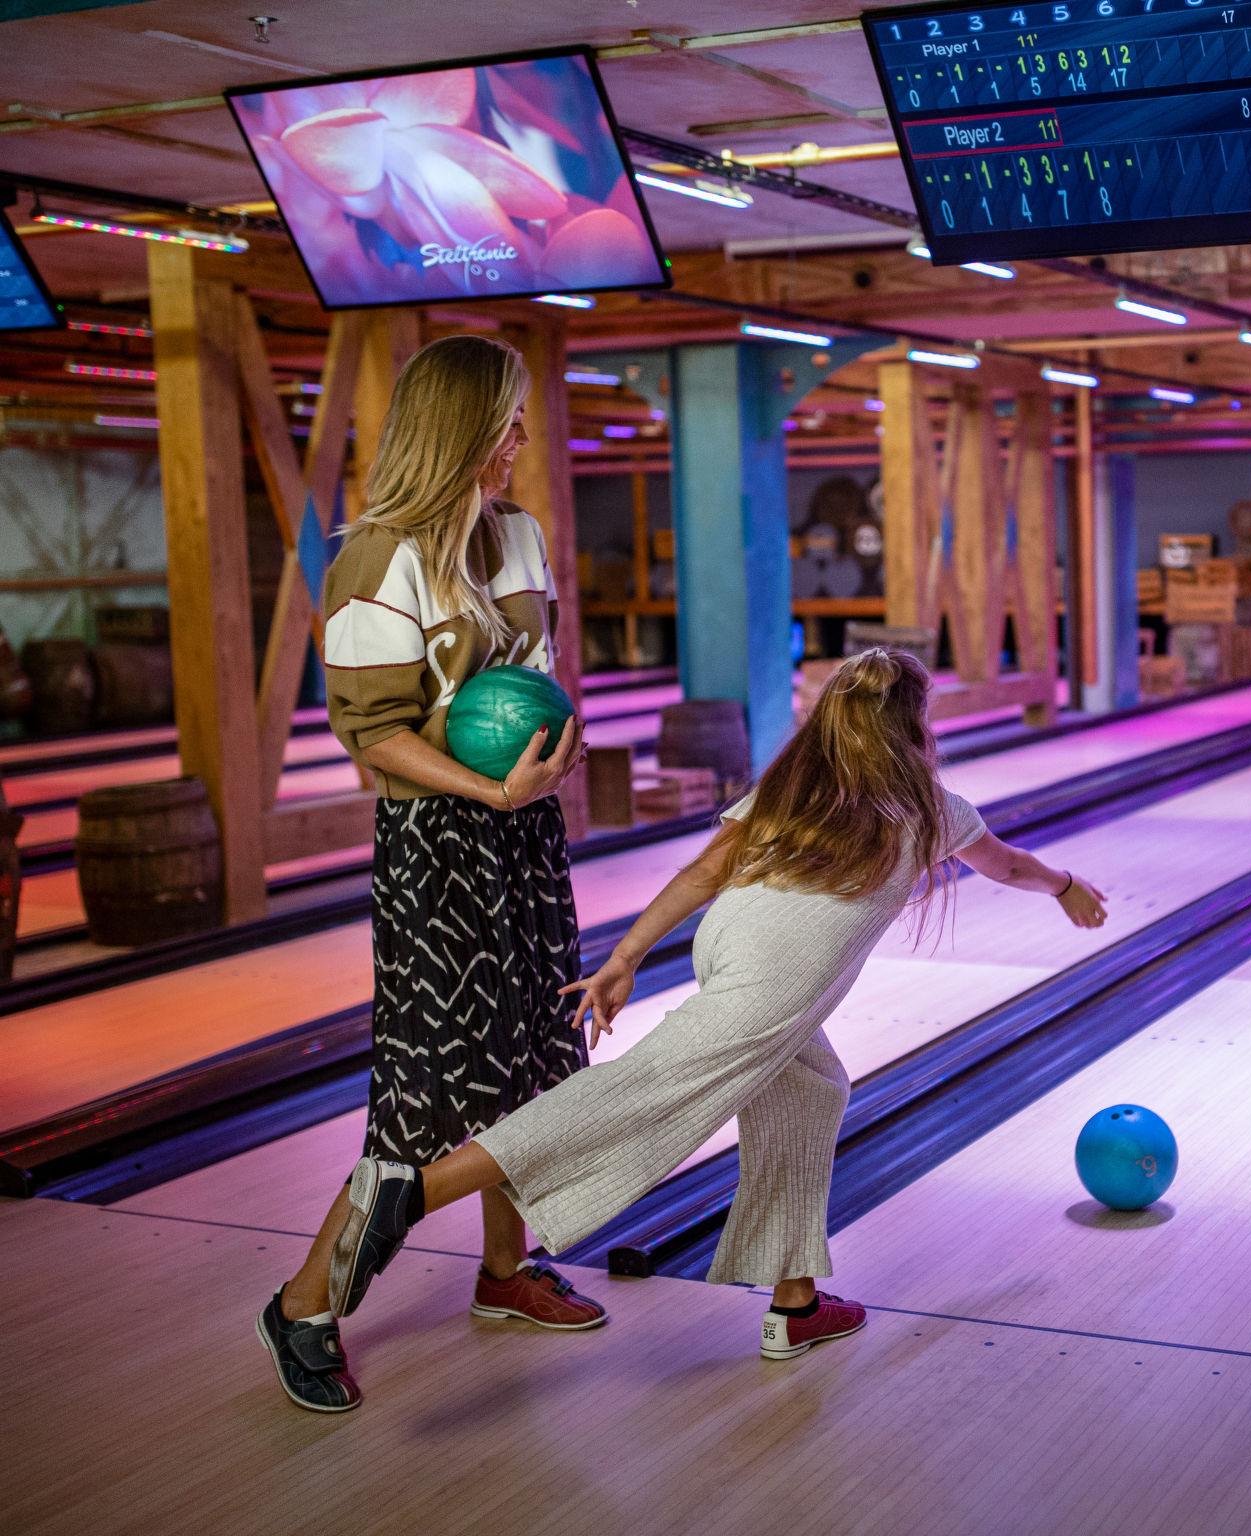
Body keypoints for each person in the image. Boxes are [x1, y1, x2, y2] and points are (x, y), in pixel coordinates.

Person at [301, 648, 1106, 1389]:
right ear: (911, 732)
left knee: (812, 1087)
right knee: (645, 1094)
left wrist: (627, 955)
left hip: (729, 944)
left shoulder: (795, 785)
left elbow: (705, 871)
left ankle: (795, 1305)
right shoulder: (932, 805)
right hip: (774, 981)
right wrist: (1066, 885)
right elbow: (1009, 866)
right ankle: (413, 1188)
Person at [257, 335, 597, 1415]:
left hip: (522, 839)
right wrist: (487, 789)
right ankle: (305, 1300)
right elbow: (374, 737)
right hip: (437, 847)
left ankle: (503, 1275)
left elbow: (532, 688)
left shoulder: (521, 537)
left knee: (540, 1060)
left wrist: (546, 757)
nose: (519, 440)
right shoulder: (376, 560)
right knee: (423, 1099)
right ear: (455, 429)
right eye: (504, 421)